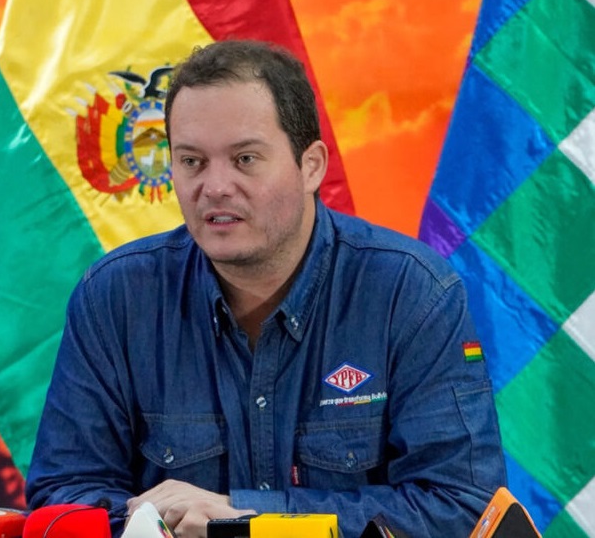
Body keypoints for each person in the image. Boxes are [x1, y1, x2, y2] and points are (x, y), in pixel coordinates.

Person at [25, 40, 506, 538]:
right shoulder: (114, 298)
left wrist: (247, 519)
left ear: (311, 166)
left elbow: (463, 509)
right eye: (191, 161)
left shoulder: (413, 294)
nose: (215, 187)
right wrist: (153, 524)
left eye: (245, 158)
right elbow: (64, 497)